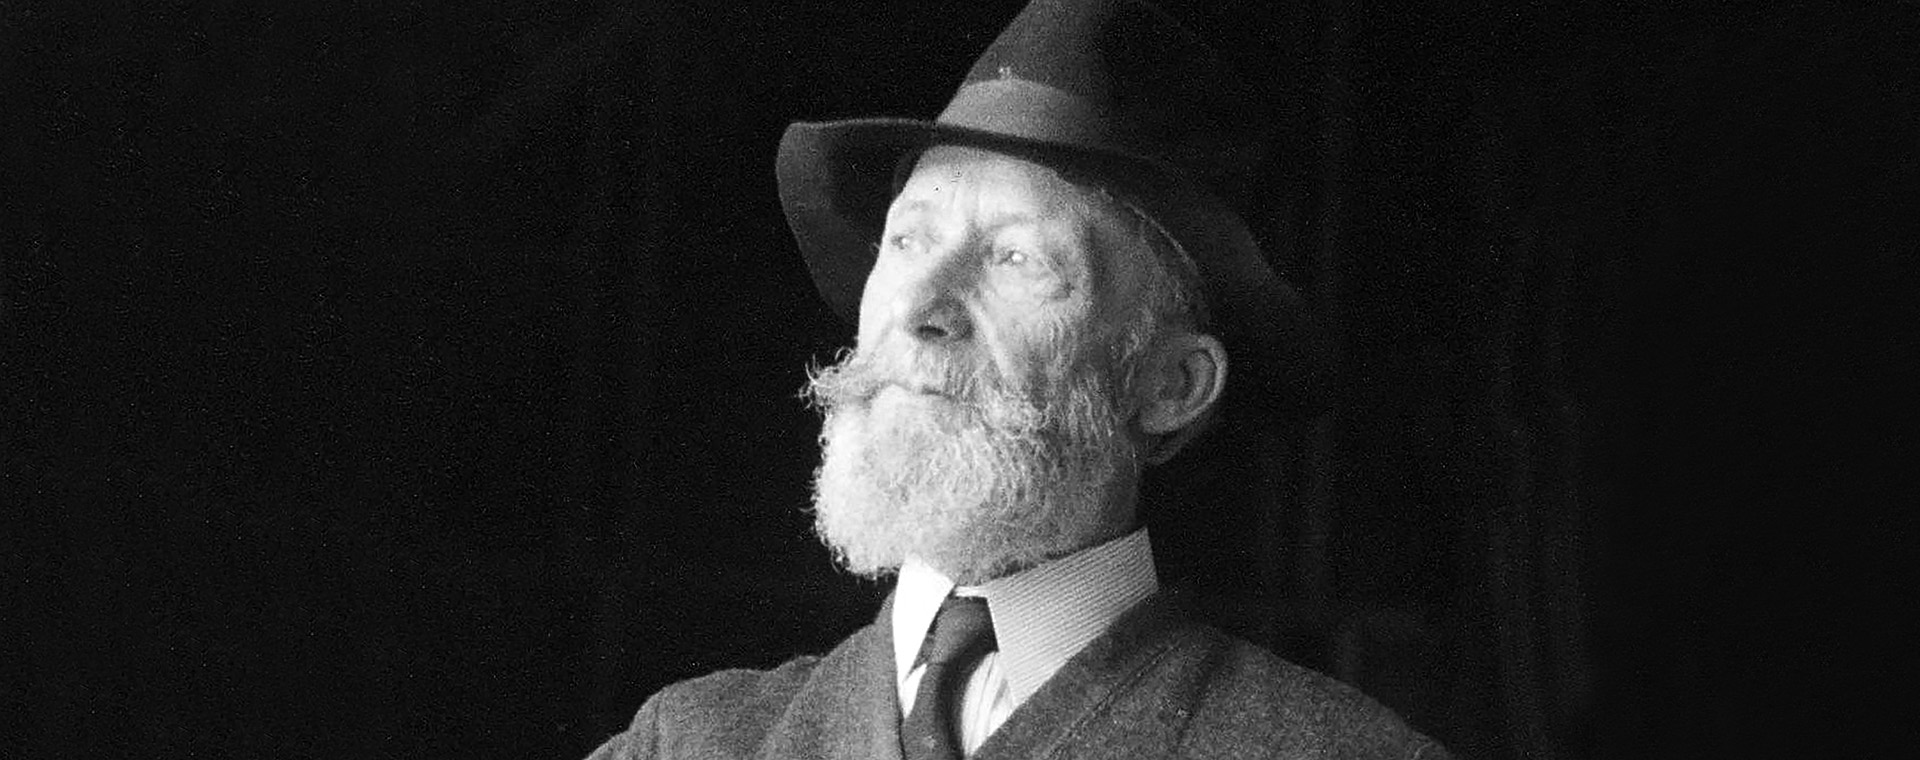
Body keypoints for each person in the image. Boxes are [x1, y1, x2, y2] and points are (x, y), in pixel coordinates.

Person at [590, 0, 1451, 757]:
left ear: (1172, 386)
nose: (922, 304)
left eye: (1016, 258)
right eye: (907, 240)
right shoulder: (684, 743)